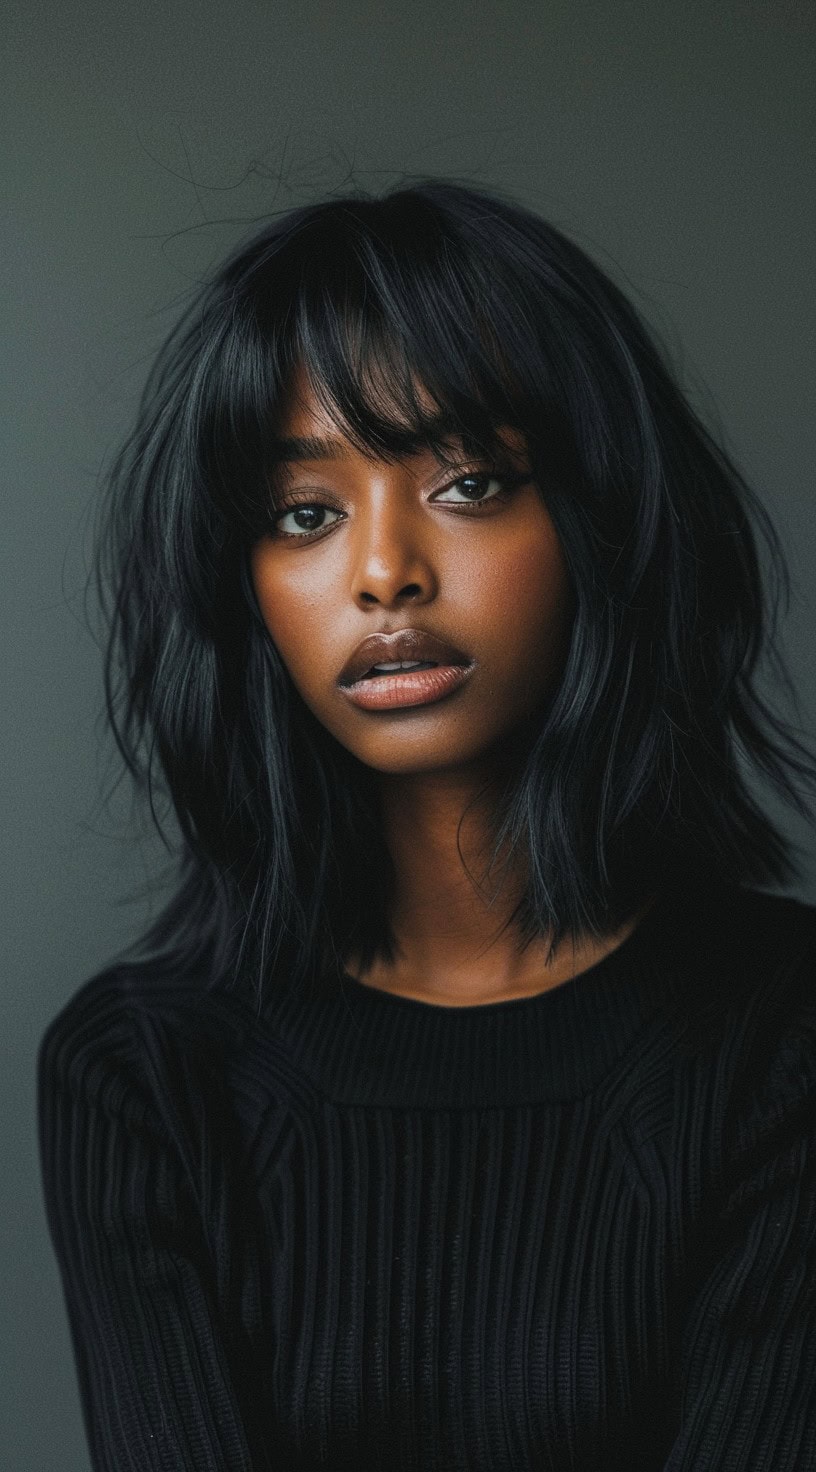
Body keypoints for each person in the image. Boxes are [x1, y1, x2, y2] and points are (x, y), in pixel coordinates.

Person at [37, 178, 816, 1471]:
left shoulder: (784, 1037)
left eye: (468, 482)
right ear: (244, 593)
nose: (383, 570)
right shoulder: (145, 1074)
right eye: (305, 513)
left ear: (602, 521)